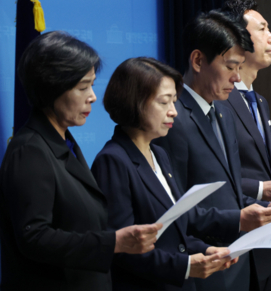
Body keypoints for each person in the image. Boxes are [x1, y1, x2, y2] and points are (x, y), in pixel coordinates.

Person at [0, 32, 161, 291]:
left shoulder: (65, 142)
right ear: (52, 86)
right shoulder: (30, 150)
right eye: (83, 87)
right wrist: (114, 243)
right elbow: (34, 237)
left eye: (92, 85)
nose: (93, 97)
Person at [154, 10, 271, 291]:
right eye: (230, 66)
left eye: (239, 67)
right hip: (203, 266)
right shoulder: (172, 119)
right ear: (198, 60)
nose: (236, 77)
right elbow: (172, 208)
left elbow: (230, 192)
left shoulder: (223, 111)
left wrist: (269, 210)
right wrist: (239, 218)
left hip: (237, 262)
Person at [92, 57, 237, 290]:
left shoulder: (159, 154)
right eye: (164, 102)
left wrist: (205, 250)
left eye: (175, 102)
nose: (174, 112)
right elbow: (123, 250)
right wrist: (186, 266)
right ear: (135, 102)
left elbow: (173, 231)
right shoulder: (113, 161)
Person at [219, 0, 271, 290]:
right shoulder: (221, 100)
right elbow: (218, 173)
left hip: (268, 244)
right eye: (262, 29)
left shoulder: (259, 100)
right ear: (238, 38)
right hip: (237, 247)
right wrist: (264, 188)